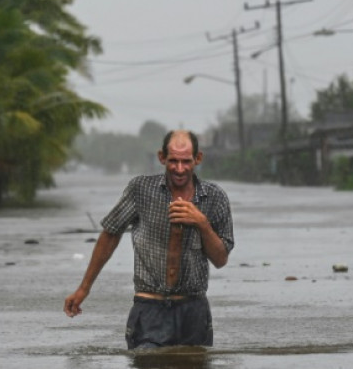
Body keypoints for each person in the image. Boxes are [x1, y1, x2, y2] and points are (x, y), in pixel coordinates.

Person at [64, 130, 234, 349]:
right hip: (149, 308)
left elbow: (220, 259)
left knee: (194, 361)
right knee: (147, 359)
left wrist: (202, 223)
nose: (179, 169)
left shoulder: (214, 197)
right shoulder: (141, 190)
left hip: (193, 310)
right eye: (173, 161)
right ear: (161, 157)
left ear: (197, 159)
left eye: (186, 161)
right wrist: (84, 289)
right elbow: (110, 234)